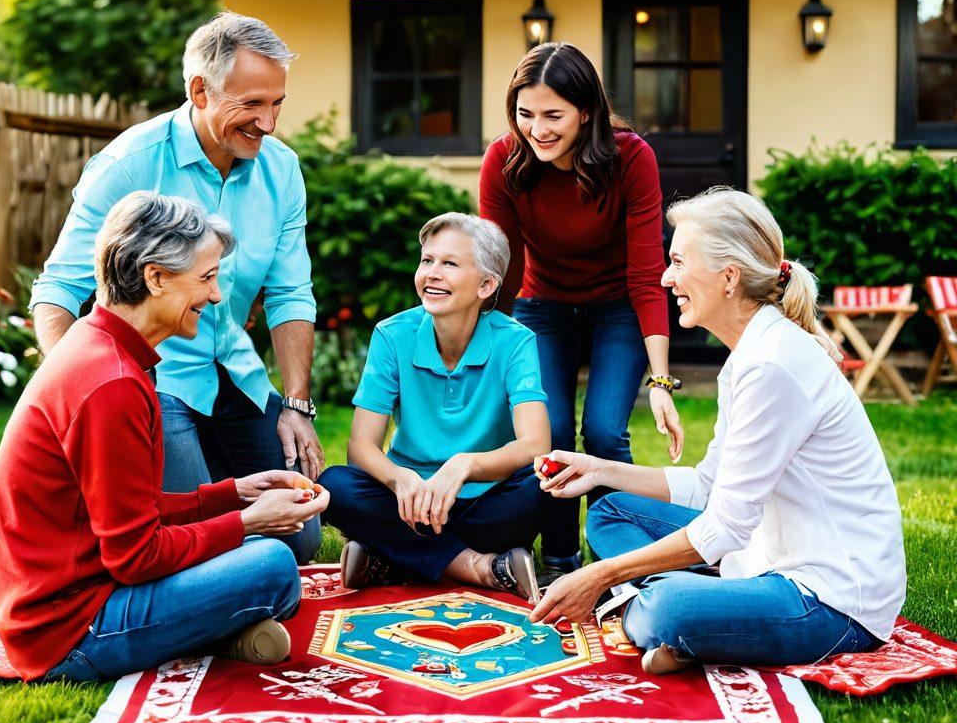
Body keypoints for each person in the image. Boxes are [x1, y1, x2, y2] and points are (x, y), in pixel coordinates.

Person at [529, 188, 906, 674]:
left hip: (833, 601)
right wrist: (601, 469)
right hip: (760, 558)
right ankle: (690, 612)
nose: (666, 278)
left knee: (666, 611)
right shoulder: (750, 353)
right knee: (608, 511)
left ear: (728, 277)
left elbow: (726, 523)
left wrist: (600, 575)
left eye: (679, 261)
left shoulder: (772, 364)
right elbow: (709, 486)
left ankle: (667, 612)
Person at [0, 192, 329, 682]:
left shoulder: (100, 347)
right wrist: (249, 523)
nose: (215, 296)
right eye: (207, 278)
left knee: (254, 558)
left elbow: (129, 508)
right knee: (274, 565)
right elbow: (135, 556)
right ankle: (219, 630)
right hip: (70, 631)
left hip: (68, 595)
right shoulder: (113, 384)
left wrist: (232, 494)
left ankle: (221, 631)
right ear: (155, 277)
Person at [29, 12, 322, 562]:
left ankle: (218, 509)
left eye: (277, 103)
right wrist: (79, 398)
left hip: (237, 370)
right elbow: (58, 288)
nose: (270, 123)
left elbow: (290, 294)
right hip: (156, 380)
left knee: (300, 536)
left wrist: (295, 406)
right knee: (193, 544)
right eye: (253, 105)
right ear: (200, 91)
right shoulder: (128, 165)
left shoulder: (282, 171)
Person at [479, 42, 683, 579]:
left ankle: (625, 559)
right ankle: (563, 560)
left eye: (553, 115)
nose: (537, 129)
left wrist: (660, 381)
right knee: (547, 431)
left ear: (586, 110)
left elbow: (646, 273)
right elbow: (499, 267)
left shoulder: (631, 158)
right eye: (526, 114)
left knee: (604, 431)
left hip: (617, 306)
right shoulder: (504, 160)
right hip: (541, 306)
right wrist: (485, 346)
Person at [319, 213, 551, 601]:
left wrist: (465, 465)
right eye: (427, 261)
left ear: (486, 284)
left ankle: (390, 558)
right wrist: (398, 479)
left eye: (450, 263)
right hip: (407, 503)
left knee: (546, 482)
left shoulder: (516, 342)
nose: (432, 273)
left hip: (485, 503)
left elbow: (536, 445)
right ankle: (482, 567)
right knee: (334, 484)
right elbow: (360, 446)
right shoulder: (392, 336)